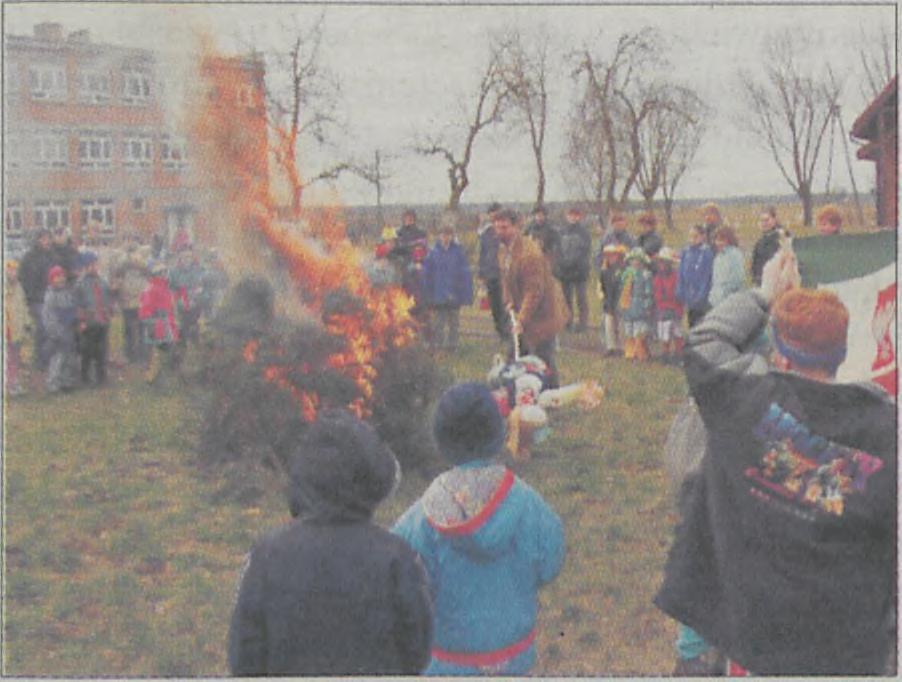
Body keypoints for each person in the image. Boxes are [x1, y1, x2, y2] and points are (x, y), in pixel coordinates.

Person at [655, 250, 896, 675]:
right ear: (840, 355)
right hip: (844, 646)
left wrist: (764, 294)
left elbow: (706, 342)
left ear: (781, 357)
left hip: (752, 634)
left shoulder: (742, 399)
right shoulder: (886, 428)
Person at [229, 410, 432, 676]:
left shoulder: (267, 555)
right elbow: (416, 652)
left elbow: (245, 657)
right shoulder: (397, 558)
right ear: (374, 479)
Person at [393, 382, 564, 676]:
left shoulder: (418, 519)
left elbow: (403, 585)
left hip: (446, 663)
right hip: (514, 658)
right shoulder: (529, 505)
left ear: (441, 442)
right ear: (499, 435)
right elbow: (550, 563)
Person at [494, 209, 568, 388]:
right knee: (515, 357)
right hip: (523, 312)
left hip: (543, 314)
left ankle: (552, 397)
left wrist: (521, 320)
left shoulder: (529, 254)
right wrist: (508, 299)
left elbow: (534, 292)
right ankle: (516, 394)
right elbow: (505, 277)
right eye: (496, 228)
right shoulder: (504, 250)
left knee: (543, 360)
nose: (499, 232)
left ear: (516, 227)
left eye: (504, 228)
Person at [422, 224, 473, 351]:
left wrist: (465, 294)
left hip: (454, 294)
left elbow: (464, 274)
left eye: (448, 235)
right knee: (439, 323)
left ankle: (453, 346)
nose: (446, 238)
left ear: (452, 236)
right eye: (443, 235)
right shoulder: (433, 253)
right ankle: (439, 345)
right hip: (439, 295)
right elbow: (427, 275)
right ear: (439, 236)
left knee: (454, 323)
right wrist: (428, 294)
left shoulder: (458, 253)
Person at [18, 229, 56, 370]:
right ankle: (40, 360)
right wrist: (30, 297)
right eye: (44, 239)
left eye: (48, 238)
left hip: (51, 297)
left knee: (53, 328)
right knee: (42, 327)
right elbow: (23, 279)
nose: (47, 241)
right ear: (38, 240)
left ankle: (49, 358)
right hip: (36, 300)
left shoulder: (52, 256)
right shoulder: (29, 258)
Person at [74, 252, 112, 386]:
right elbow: (77, 305)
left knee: (102, 350)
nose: (94, 267)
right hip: (89, 322)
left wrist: (108, 312)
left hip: (102, 321)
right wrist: (81, 321)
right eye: (91, 265)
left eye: (96, 264)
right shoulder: (80, 284)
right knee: (87, 351)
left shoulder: (102, 282)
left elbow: (108, 298)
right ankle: (85, 376)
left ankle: (101, 376)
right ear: (85, 267)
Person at [139, 261, 180, 385]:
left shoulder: (166, 288)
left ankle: (160, 376)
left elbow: (170, 307)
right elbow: (145, 310)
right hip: (157, 324)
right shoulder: (150, 289)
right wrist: (153, 323)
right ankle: (152, 378)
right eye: (162, 273)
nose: (165, 275)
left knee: (165, 351)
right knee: (157, 353)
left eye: (165, 272)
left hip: (167, 323)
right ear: (156, 274)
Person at [553, 207, 592, 332]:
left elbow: (585, 251)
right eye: (571, 215)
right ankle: (567, 322)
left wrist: (573, 262)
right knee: (566, 298)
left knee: (581, 298)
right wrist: (560, 264)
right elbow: (557, 250)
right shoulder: (561, 232)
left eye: (576, 215)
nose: (573, 218)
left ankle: (583, 324)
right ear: (566, 216)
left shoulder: (584, 233)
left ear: (580, 217)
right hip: (564, 270)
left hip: (579, 270)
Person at [41, 265, 80, 393]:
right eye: (57, 277)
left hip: (69, 330)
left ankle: (66, 381)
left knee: (69, 357)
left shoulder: (67, 292)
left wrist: (74, 322)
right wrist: (56, 332)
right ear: (51, 279)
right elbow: (48, 316)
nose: (60, 279)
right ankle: (53, 383)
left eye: (62, 276)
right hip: (57, 332)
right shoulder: (50, 295)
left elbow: (72, 309)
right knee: (57, 359)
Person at [394, 210, 430, 333]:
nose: (408, 220)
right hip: (402, 267)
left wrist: (409, 248)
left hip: (417, 265)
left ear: (414, 219)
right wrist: (409, 247)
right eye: (406, 218)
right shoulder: (399, 233)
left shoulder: (420, 233)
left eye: (411, 218)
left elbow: (423, 248)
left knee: (418, 295)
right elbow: (396, 249)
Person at [477, 202, 509, 342]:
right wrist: (481, 274)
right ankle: (500, 332)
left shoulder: (506, 231)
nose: (494, 215)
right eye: (492, 213)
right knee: (495, 306)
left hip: (504, 274)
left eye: (496, 212)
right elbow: (482, 254)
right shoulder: (486, 233)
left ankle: (509, 332)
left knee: (506, 305)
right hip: (490, 274)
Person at [116, 240, 150, 363]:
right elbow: (117, 273)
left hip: (141, 299)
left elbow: (149, 273)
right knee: (128, 328)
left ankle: (142, 354)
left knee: (142, 328)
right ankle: (129, 354)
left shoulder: (144, 260)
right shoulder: (121, 260)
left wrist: (140, 264)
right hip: (127, 299)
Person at [619, 247, 654, 361]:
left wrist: (647, 303)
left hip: (639, 302)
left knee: (639, 329)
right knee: (629, 327)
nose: (635, 262)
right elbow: (623, 288)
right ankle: (629, 350)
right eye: (633, 260)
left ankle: (640, 351)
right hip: (628, 302)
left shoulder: (646, 275)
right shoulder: (627, 274)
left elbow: (648, 291)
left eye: (638, 260)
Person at [675, 224, 713, 328]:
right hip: (689, 294)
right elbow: (681, 272)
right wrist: (680, 289)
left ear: (702, 236)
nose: (692, 239)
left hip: (701, 296)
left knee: (701, 322)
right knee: (691, 322)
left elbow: (706, 275)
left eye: (695, 236)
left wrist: (702, 294)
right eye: (691, 236)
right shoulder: (686, 251)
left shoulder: (706, 252)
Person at [653, 247, 683, 363]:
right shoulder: (658, 278)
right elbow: (657, 294)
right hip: (663, 309)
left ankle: (678, 353)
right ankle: (665, 354)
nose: (662, 265)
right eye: (661, 262)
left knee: (677, 332)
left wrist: (672, 299)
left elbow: (678, 293)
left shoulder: (676, 276)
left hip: (675, 309)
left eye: (665, 262)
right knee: (664, 333)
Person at [597, 243, 627, 357]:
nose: (610, 258)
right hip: (609, 300)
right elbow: (602, 286)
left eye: (613, 255)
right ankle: (611, 346)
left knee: (620, 324)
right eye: (608, 256)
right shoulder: (604, 272)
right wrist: (603, 298)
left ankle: (622, 346)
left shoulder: (622, 270)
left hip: (619, 300)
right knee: (608, 323)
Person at [5, 261, 30, 396]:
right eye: (10, 270)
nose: (13, 273)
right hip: (6, 329)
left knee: (15, 357)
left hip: (17, 329)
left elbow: (23, 306)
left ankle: (14, 382)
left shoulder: (19, 287)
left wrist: (27, 323)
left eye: (15, 270)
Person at [708, 226, 746, 308]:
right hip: (716, 301)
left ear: (729, 240)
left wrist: (725, 295)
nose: (718, 243)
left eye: (721, 240)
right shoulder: (718, 257)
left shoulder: (735, 255)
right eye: (716, 240)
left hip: (730, 302)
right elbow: (715, 280)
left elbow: (737, 279)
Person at [750, 205, 786, 286]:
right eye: (762, 221)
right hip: (762, 284)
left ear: (774, 220)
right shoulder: (760, 242)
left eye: (767, 220)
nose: (764, 223)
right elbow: (754, 266)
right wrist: (756, 279)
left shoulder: (783, 238)